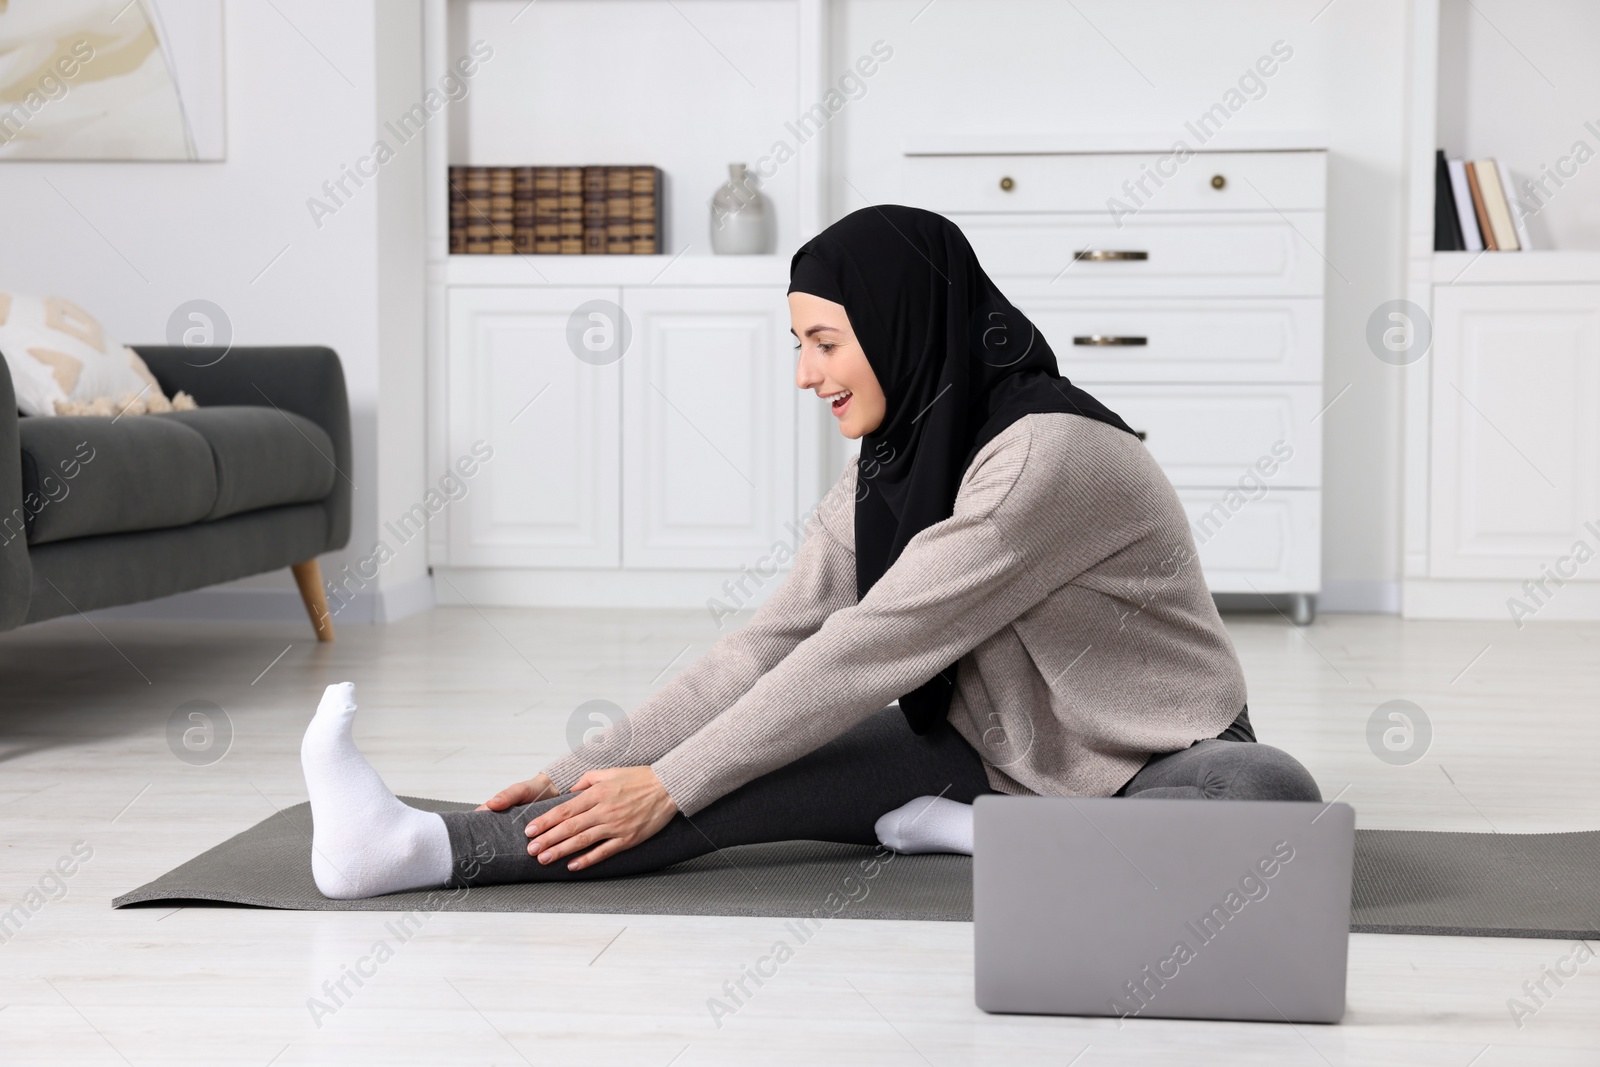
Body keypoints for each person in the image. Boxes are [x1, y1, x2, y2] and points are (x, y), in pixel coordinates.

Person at [300, 205, 1321, 900]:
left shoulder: (1044, 454)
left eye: (824, 340)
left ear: (900, 324)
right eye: (797, 343)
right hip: (993, 748)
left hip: (1158, 757)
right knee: (731, 778)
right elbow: (769, 645)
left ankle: (980, 835)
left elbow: (869, 646)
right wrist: (595, 764)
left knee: (1270, 801)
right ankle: (410, 848)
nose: (805, 373)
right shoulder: (895, 458)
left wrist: (673, 777)